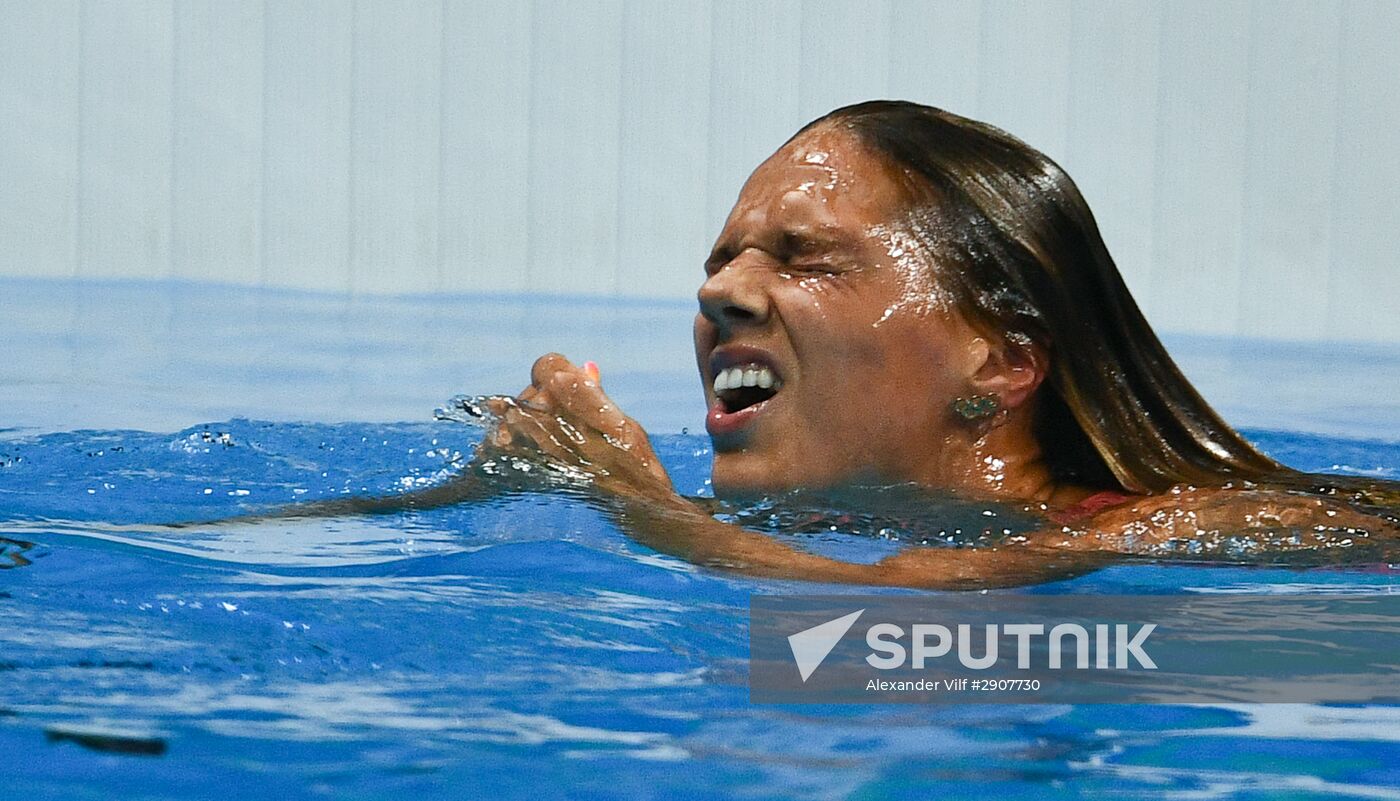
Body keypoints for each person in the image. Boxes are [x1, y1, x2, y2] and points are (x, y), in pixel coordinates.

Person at [285, 101, 1399, 589]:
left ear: (1001, 363)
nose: (720, 290)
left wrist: (637, 506)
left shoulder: (1223, 529)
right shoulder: (817, 526)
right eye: (719, 259)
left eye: (803, 258)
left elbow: (887, 624)